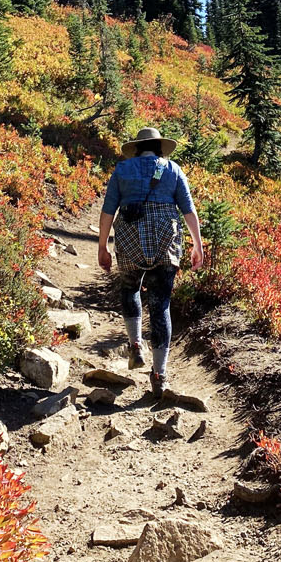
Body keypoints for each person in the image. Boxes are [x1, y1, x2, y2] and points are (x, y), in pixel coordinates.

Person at [98, 126, 204, 397]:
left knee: (130, 287)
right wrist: (197, 246)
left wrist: (103, 247)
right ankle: (160, 375)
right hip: (165, 239)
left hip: (129, 236)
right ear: (159, 148)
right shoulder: (173, 170)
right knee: (161, 305)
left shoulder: (122, 170)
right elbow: (188, 211)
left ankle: (135, 345)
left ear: (136, 149)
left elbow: (108, 211)